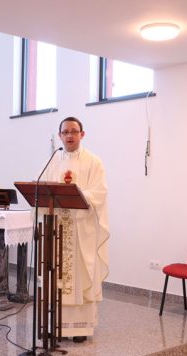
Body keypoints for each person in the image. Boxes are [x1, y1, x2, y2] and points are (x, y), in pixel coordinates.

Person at [42, 116, 110, 343]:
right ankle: (55, 325)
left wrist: (77, 194)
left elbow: (99, 193)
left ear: (82, 134)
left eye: (73, 131)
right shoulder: (53, 161)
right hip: (57, 229)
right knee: (56, 277)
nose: (69, 135)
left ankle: (80, 328)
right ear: (59, 136)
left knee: (81, 276)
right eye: (65, 132)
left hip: (82, 230)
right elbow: (42, 187)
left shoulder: (94, 162)